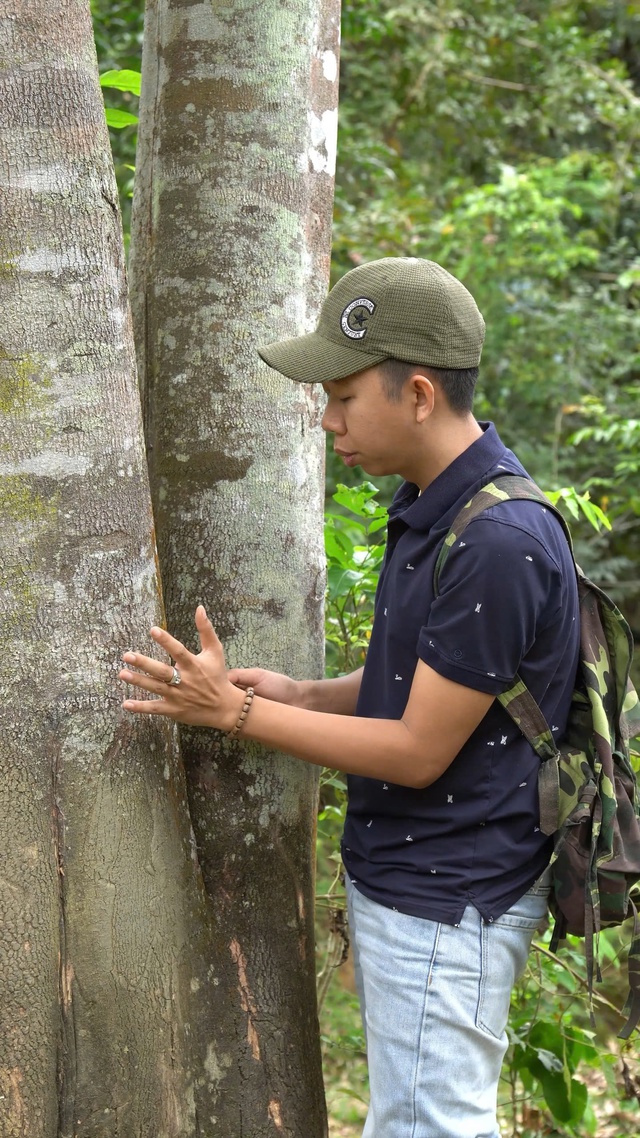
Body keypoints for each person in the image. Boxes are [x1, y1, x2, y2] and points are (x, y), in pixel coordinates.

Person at [120, 258, 580, 1138]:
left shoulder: (497, 540)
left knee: (430, 1127)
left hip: (451, 899)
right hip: (417, 883)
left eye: (342, 398)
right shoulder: (437, 504)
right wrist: (304, 693)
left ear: (415, 394)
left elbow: (418, 748)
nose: (327, 421)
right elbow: (435, 681)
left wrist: (240, 715)